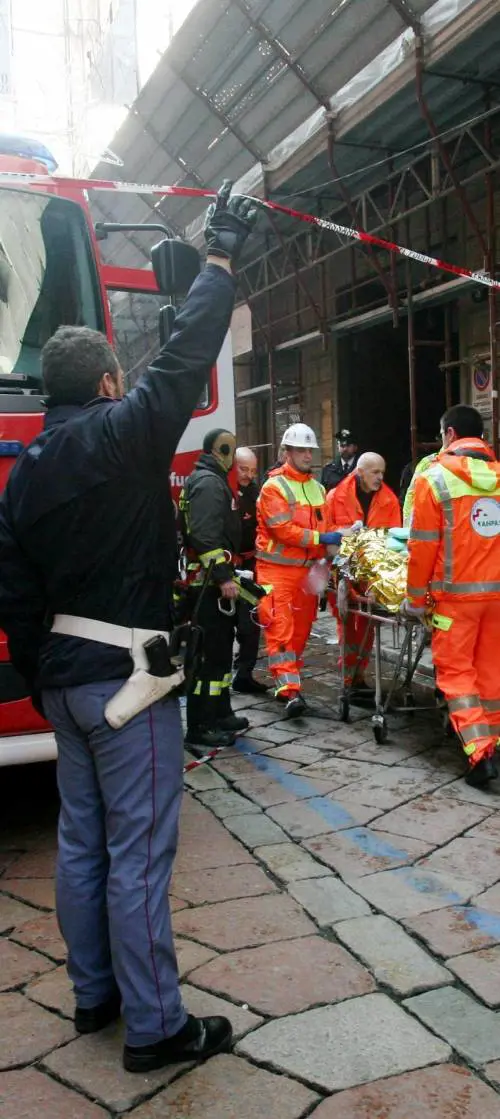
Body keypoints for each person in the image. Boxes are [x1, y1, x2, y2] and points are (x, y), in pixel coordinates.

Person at [0, 182, 257, 1071]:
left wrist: (40, 672)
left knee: (81, 844)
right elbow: (185, 356)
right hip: (131, 679)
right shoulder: (123, 434)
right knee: (140, 853)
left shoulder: (25, 471)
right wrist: (218, 258)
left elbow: (12, 587)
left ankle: (94, 994)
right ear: (109, 382)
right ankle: (155, 1026)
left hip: (65, 684)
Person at [406, 403, 500, 788]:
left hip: (454, 601)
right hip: (496, 597)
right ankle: (494, 741)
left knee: (457, 672)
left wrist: (414, 599)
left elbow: (422, 547)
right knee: (491, 671)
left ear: (449, 434)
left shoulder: (434, 479)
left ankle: (479, 752)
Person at [256, 422, 342, 718]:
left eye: (310, 450)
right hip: (276, 571)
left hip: (307, 572)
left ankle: (290, 681)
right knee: (280, 630)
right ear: (287, 452)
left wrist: (331, 552)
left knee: (301, 632)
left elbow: (326, 527)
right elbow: (282, 530)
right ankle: (290, 691)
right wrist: (322, 539)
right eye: (301, 450)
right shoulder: (273, 487)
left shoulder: (318, 488)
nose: (307, 455)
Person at [181, 429, 251, 751]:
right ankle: (201, 725)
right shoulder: (209, 484)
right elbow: (205, 537)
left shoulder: (211, 480)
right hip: (208, 587)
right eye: (231, 450)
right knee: (209, 659)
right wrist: (223, 577)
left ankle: (221, 713)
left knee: (221, 655)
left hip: (213, 584)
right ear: (220, 450)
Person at [328, 452, 401, 690]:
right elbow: (327, 533)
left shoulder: (389, 500)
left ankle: (358, 675)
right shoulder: (336, 496)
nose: (380, 477)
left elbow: (394, 542)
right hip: (343, 572)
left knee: (368, 627)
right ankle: (349, 677)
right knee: (347, 626)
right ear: (360, 472)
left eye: (382, 472)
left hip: (372, 576)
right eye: (375, 472)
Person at [232, 446, 268, 695]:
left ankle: (244, 674)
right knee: (226, 626)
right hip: (227, 565)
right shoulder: (224, 491)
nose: (249, 475)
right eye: (244, 469)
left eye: (253, 470)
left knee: (251, 622)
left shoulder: (257, 492)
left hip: (250, 566)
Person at [321, 429, 359, 493]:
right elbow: (324, 493)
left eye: (348, 445)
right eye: (342, 445)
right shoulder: (328, 469)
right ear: (338, 447)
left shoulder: (361, 468)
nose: (345, 449)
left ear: (355, 447)